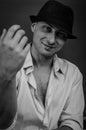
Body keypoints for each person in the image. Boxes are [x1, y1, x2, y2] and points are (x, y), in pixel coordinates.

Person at [0, 0, 85, 130]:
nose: (51, 40)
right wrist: (6, 73)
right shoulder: (9, 64)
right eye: (47, 28)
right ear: (34, 27)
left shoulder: (73, 73)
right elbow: (2, 122)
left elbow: (72, 122)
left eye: (60, 34)